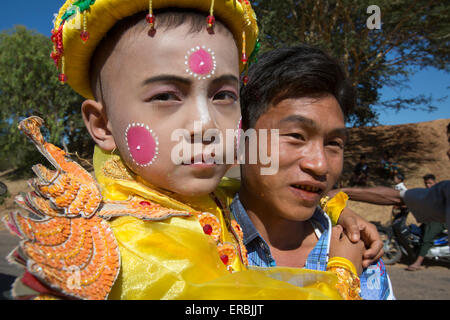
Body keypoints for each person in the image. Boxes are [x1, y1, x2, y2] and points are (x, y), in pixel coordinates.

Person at [2, 0, 382, 300]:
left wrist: (333, 208)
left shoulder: (184, 196)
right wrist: (342, 274)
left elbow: (243, 187)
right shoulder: (135, 247)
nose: (205, 124)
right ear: (102, 125)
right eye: (166, 96)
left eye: (223, 96)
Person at [231, 45, 395, 300]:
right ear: (241, 141)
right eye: (296, 136)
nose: (320, 165)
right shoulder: (191, 243)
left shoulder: (362, 258)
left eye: (333, 144)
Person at [406, 174, 447, 271]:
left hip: (439, 221)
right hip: (430, 219)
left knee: (427, 239)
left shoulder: (440, 192)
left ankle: (418, 262)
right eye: (426, 183)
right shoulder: (428, 193)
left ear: (435, 182)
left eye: (430, 183)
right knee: (416, 231)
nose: (428, 185)